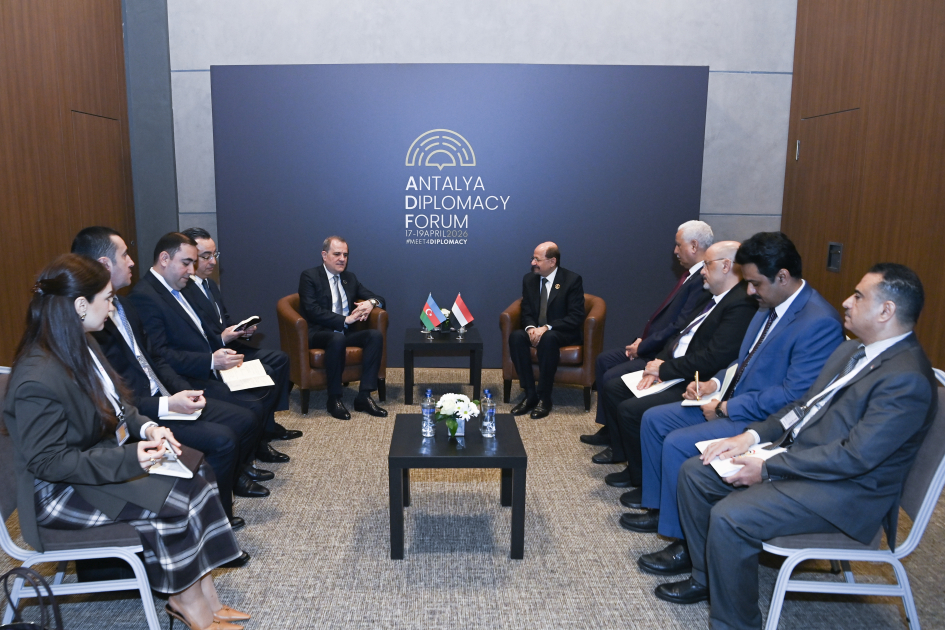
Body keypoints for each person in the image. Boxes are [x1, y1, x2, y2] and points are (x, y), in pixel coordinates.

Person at [660, 264, 936, 630]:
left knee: (730, 516)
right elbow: (803, 407)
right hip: (805, 460)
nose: (846, 302)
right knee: (696, 472)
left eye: (858, 296)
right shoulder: (852, 350)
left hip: (847, 492)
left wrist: (769, 467)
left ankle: (735, 623)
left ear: (886, 311)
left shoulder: (906, 379)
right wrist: (751, 437)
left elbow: (855, 457)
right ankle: (707, 578)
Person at [1, 254, 251, 630]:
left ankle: (205, 596)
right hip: (57, 493)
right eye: (108, 299)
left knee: (198, 472)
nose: (113, 307)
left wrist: (148, 429)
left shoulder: (80, 344)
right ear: (80, 305)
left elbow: (119, 407)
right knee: (174, 502)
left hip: (96, 463)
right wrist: (132, 459)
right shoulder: (37, 377)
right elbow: (49, 463)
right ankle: (187, 602)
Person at [622, 232, 844, 576]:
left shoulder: (819, 322)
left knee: (678, 443)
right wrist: (715, 384)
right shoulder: (769, 304)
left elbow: (794, 396)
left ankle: (685, 544)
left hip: (764, 421)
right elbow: (746, 360)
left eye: (755, 283)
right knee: (655, 420)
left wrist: (728, 408)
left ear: (782, 276)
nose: (749, 291)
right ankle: (662, 510)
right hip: (732, 399)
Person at [71, 226, 268, 525]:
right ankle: (217, 521)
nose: (132, 261)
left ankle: (224, 490)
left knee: (245, 417)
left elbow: (156, 359)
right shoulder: (91, 323)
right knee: (224, 439)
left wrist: (180, 391)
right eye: (124, 255)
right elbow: (116, 399)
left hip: (164, 394)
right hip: (140, 412)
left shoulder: (123, 306)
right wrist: (168, 403)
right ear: (104, 264)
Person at [597, 241, 757, 489]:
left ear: (726, 266)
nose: (702, 271)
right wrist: (658, 363)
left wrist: (663, 370)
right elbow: (680, 335)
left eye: (707, 264)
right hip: (676, 367)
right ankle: (628, 460)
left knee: (631, 410)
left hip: (695, 380)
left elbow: (713, 359)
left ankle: (643, 480)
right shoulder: (711, 297)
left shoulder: (740, 304)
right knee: (614, 388)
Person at [127, 232, 289, 466]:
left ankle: (252, 454)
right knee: (250, 408)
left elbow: (202, 332)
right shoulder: (145, 296)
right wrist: (211, 361)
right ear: (164, 259)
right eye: (186, 263)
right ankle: (243, 466)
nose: (191, 270)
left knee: (265, 383)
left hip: (205, 366)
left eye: (194, 263)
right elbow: (160, 356)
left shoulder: (178, 287)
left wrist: (220, 349)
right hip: (187, 378)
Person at [581, 221, 713, 446]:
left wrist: (643, 347)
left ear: (693, 246)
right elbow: (665, 319)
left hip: (662, 352)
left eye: (678, 245)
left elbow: (678, 326)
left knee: (612, 378)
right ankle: (609, 428)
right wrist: (641, 341)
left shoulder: (702, 281)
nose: (675, 251)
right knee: (604, 360)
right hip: (650, 344)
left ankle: (618, 438)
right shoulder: (689, 276)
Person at [180, 227, 299, 442]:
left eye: (214, 254)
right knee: (268, 370)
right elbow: (199, 337)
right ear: (190, 257)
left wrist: (241, 330)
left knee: (281, 359)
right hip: (214, 355)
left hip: (230, 346)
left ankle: (268, 421)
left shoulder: (210, 285)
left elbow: (223, 321)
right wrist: (223, 338)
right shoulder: (185, 291)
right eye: (205, 256)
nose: (213, 261)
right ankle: (262, 431)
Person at [298, 236, 387, 420]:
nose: (342, 259)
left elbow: (379, 298)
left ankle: (364, 396)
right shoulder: (310, 276)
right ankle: (334, 398)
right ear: (324, 255)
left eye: (345, 255)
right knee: (336, 338)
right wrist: (345, 320)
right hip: (318, 333)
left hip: (344, 333)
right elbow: (312, 311)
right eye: (337, 254)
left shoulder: (349, 278)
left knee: (374, 336)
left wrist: (371, 303)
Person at [507, 241, 586, 419]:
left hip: (561, 331)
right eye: (532, 258)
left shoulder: (571, 280)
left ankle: (544, 397)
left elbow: (576, 316)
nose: (533, 263)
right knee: (516, 337)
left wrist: (546, 328)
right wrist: (530, 328)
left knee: (549, 338)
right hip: (536, 329)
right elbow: (526, 310)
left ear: (552, 261)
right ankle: (530, 395)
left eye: (537, 259)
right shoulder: (529, 280)